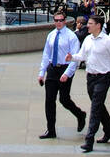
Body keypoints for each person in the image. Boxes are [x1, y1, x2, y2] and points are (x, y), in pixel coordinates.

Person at [61, 13, 110, 152]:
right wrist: (72, 58)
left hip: (104, 77)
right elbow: (82, 55)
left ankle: (89, 140)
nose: (87, 26)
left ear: (98, 26)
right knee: (98, 105)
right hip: (90, 77)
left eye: (90, 24)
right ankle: (109, 131)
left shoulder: (108, 41)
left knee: (95, 108)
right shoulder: (88, 39)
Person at [37, 10, 86, 139]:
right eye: (56, 20)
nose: (58, 23)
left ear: (65, 21)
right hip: (52, 69)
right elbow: (46, 54)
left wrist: (67, 73)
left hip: (65, 68)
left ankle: (80, 114)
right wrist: (41, 73)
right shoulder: (51, 35)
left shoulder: (71, 36)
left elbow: (75, 57)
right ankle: (51, 130)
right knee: (49, 100)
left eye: (60, 20)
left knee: (64, 99)